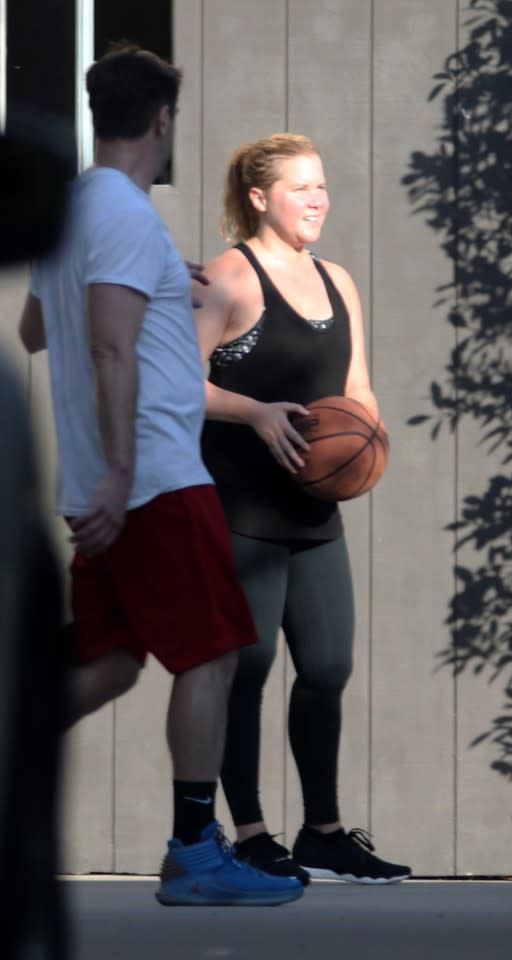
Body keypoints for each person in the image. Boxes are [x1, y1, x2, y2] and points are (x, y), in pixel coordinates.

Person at [18, 46, 303, 908]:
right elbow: (106, 344)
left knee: (106, 662)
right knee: (213, 651)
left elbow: (40, 328)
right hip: (149, 481)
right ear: (161, 121)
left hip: (112, 479)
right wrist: (118, 478)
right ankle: (194, 852)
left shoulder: (74, 210)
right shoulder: (126, 218)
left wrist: (154, 287)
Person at [196, 133, 411, 885]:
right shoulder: (227, 279)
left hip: (314, 513)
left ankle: (323, 831)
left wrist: (369, 440)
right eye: (301, 188)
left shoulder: (338, 281)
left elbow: (357, 387)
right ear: (259, 198)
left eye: (322, 186)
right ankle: (251, 834)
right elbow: (178, 385)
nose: (318, 199)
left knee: (326, 667)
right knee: (245, 671)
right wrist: (255, 413)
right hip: (241, 508)